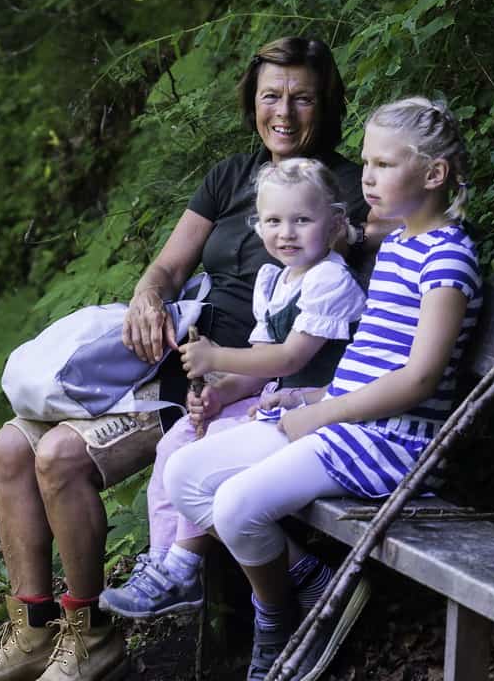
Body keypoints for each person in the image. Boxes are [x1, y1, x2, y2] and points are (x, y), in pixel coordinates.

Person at [0, 37, 383, 681]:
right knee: (8, 449)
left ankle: (90, 636)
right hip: (172, 361)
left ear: (328, 104)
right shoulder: (229, 176)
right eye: (272, 95)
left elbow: (391, 239)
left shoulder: (341, 189)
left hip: (235, 383)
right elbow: (168, 265)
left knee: (59, 456)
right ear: (252, 102)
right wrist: (147, 297)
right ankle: (33, 632)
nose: (286, 113)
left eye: (303, 97)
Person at [164, 96, 482, 681]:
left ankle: (278, 618)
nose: (366, 176)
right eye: (366, 162)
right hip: (345, 420)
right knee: (184, 475)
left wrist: (323, 411)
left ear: (433, 175)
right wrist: (310, 399)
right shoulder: (401, 246)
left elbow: (419, 379)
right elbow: (374, 361)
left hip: (393, 442)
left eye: (384, 164)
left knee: (235, 505)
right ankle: (312, 582)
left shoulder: (447, 259)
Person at [98, 157, 367, 621]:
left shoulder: (329, 279)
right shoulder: (276, 280)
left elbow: (289, 359)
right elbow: (262, 365)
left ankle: (186, 565)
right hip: (280, 406)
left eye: (302, 220)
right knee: (177, 442)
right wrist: (221, 392)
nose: (287, 232)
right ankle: (166, 565)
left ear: (335, 223)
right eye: (274, 221)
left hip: (322, 411)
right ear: (257, 226)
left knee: (206, 460)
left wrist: (216, 358)